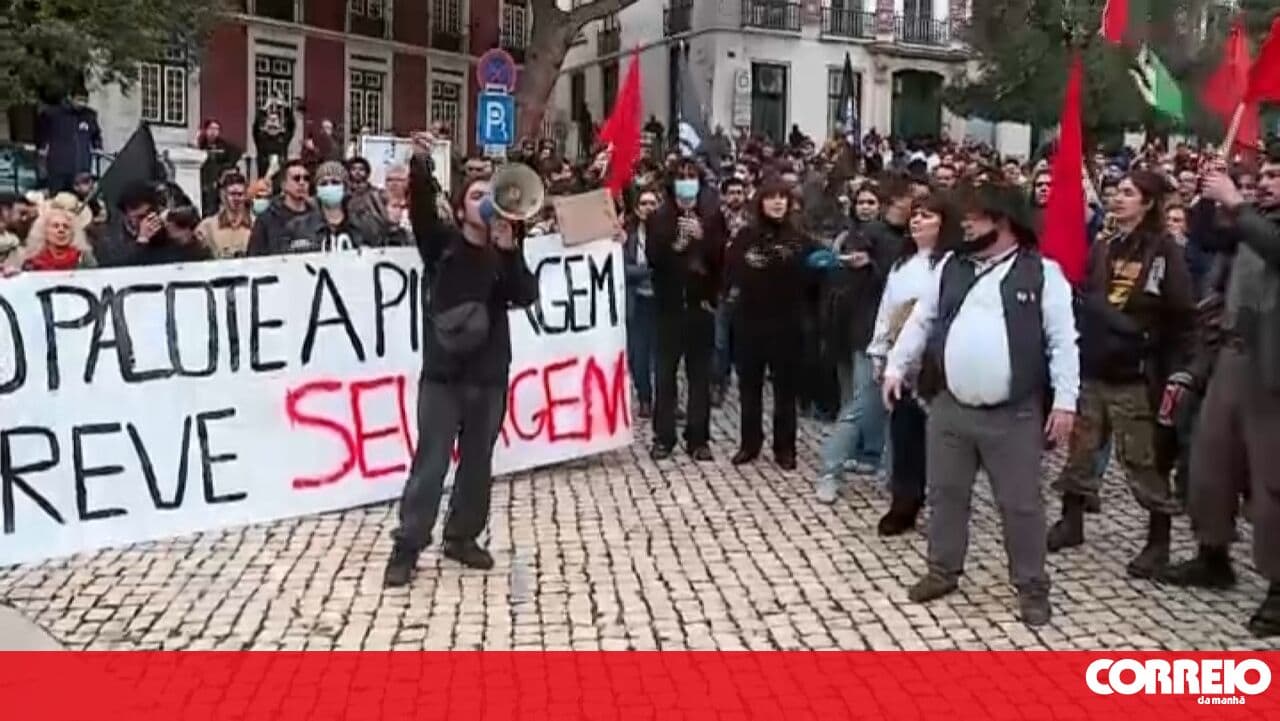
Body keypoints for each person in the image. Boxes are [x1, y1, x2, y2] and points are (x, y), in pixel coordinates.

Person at [882, 183, 1078, 627]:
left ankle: (1031, 586)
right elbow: (921, 319)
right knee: (946, 495)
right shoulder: (951, 266)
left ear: (1003, 220)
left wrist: (1065, 401)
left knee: (1021, 504)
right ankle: (942, 570)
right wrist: (897, 366)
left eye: (975, 216)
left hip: (1013, 414)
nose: (965, 223)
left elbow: (1063, 343)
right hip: (950, 407)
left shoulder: (1044, 274)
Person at [383, 132, 538, 587]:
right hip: (444, 376)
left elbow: (525, 295)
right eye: (475, 195)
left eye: (491, 194)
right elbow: (424, 210)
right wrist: (420, 162)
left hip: (489, 375)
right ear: (459, 207)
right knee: (430, 462)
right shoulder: (442, 245)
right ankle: (408, 544)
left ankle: (462, 536)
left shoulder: (503, 249)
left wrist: (510, 254)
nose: (485, 201)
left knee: (477, 461)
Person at [1048, 171, 1196, 579]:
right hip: (1095, 366)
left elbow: (1183, 314)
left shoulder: (1164, 251)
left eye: (1129, 194)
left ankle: (1158, 541)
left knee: (1141, 460)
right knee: (1081, 448)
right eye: (1116, 193)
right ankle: (1071, 520)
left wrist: (1174, 367)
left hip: (1134, 372)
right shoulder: (1104, 246)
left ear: (1148, 203)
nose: (1118, 199)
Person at [1159, 153, 1280, 638]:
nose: (1265, 183)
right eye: (1263, 177)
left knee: (1273, 482)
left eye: (1275, 177)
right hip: (1230, 354)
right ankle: (1213, 554)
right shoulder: (1256, 223)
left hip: (1272, 369)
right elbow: (1211, 238)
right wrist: (1211, 197)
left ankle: (1278, 584)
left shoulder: (1264, 229)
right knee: (1211, 462)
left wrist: (1236, 201)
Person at [864, 193, 959, 533]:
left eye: (928, 216)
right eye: (915, 215)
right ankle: (905, 500)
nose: (918, 221)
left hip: (939, 363)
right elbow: (887, 311)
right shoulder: (901, 264)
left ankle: (944, 505)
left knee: (942, 442)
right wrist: (881, 352)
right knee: (905, 435)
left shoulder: (951, 264)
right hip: (903, 362)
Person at [815, 179, 910, 503]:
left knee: (896, 410)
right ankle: (830, 470)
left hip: (907, 337)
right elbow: (854, 266)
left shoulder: (915, 244)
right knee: (861, 405)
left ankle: (892, 474)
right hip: (871, 333)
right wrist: (864, 263)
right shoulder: (870, 235)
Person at [725, 178, 818, 470]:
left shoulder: (800, 239)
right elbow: (731, 273)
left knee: (785, 391)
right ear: (761, 202)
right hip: (750, 323)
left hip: (787, 324)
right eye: (772, 197)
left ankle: (785, 447)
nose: (778, 203)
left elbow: (812, 282)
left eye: (783, 198)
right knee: (749, 389)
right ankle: (750, 443)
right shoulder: (746, 237)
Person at [646, 159, 726, 461]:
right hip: (668, 307)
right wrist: (675, 245)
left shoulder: (712, 216)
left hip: (699, 306)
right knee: (665, 375)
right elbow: (653, 258)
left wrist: (702, 238)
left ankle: (698, 437)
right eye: (681, 176)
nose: (686, 181)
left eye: (691, 176)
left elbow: (721, 258)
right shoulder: (659, 217)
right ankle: (663, 437)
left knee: (699, 376)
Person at [713, 176, 750, 405]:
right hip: (721, 287)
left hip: (746, 289)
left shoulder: (752, 221)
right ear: (724, 195)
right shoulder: (715, 220)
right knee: (719, 341)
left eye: (739, 192)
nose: (736, 196)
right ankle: (718, 382)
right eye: (732, 192)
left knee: (742, 340)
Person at [625, 189, 661, 419]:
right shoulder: (627, 236)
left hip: (661, 301)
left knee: (662, 355)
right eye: (644, 203)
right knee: (639, 354)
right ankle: (645, 397)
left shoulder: (667, 233)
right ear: (637, 209)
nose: (649, 207)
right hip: (637, 301)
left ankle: (665, 398)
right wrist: (647, 272)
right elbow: (622, 267)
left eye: (653, 203)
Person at [285, 161, 368, 252]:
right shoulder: (298, 227)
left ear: (345, 187)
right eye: (323, 183)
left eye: (335, 182)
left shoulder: (362, 225)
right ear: (317, 190)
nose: (329, 186)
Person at [37, 92, 102, 193]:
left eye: (85, 100)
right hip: (58, 167)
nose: (82, 103)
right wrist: (42, 147)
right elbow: (42, 134)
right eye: (79, 99)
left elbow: (96, 135)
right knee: (58, 197)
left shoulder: (89, 116)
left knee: (80, 198)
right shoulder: (53, 114)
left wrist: (98, 147)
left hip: (82, 168)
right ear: (70, 98)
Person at [247, 159, 313, 255]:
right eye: (296, 178)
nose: (302, 183)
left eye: (306, 178)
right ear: (283, 184)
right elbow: (254, 258)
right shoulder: (266, 220)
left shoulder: (318, 217)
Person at [196, 172, 253, 259]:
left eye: (240, 194)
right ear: (223, 195)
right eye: (232, 194)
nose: (236, 198)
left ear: (245, 196)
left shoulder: (256, 224)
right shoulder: (207, 227)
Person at [19, 206, 95, 271]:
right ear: (44, 231)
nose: (61, 230)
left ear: (73, 233)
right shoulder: (32, 261)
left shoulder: (84, 257)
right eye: (55, 226)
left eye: (66, 227)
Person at [197, 119, 243, 215]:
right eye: (211, 129)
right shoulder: (201, 145)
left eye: (216, 129)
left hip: (218, 182)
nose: (214, 132)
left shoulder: (223, 145)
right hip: (203, 180)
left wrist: (226, 170)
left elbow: (237, 154)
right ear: (205, 130)